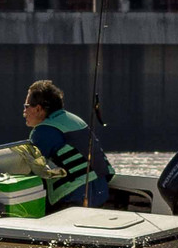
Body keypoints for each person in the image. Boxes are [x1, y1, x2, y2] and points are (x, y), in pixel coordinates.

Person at [22, 79, 114, 210]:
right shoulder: (74, 120)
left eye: (26, 106)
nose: (24, 112)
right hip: (101, 192)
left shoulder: (43, 131)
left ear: (38, 109)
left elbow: (30, 169)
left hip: (74, 197)